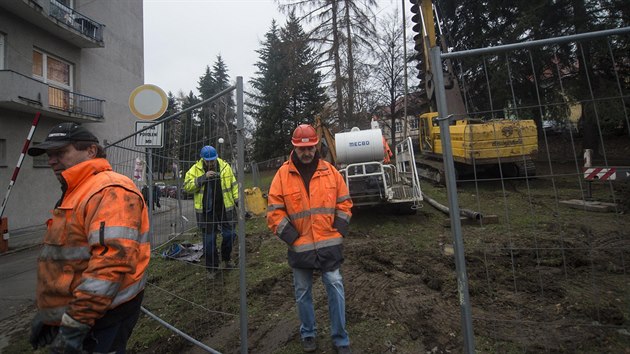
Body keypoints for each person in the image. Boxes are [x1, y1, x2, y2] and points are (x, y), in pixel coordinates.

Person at [26, 122, 150, 353]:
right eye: (49, 154)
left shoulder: (111, 190)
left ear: (91, 151)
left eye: (61, 152)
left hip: (102, 318)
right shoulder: (77, 190)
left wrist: (75, 324)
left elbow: (110, 266)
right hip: (84, 314)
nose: (52, 160)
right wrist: (52, 315)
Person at [267, 124, 353, 354]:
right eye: (302, 149)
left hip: (329, 246)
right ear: (294, 147)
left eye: (311, 148)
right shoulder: (282, 176)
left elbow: (344, 203)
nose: (307, 153)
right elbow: (274, 211)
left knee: (335, 286)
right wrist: (292, 237)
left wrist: (339, 230)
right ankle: (308, 333)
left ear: (317, 146)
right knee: (302, 291)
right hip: (300, 248)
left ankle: (340, 339)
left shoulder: (331, 172)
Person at [183, 145, 239, 278]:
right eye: (207, 161)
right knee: (209, 240)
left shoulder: (225, 167)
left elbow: (233, 185)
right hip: (206, 212)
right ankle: (212, 268)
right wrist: (203, 178)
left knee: (230, 235)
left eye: (212, 161)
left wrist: (237, 200)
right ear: (202, 159)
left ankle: (226, 259)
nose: (210, 164)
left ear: (216, 158)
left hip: (225, 209)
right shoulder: (194, 170)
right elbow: (187, 187)